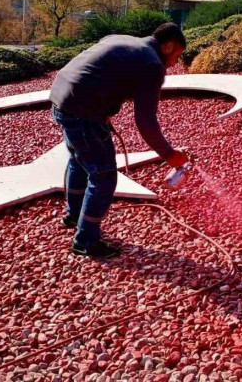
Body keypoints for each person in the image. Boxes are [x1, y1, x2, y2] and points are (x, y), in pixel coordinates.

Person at [50, 23, 190, 258]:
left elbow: (99, 72)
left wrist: (104, 107)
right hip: (82, 109)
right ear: (167, 46)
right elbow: (145, 120)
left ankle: (74, 215)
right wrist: (169, 154)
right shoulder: (153, 65)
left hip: (60, 97)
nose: (175, 63)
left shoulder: (123, 39)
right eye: (177, 55)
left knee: (79, 160)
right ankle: (85, 241)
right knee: (103, 175)